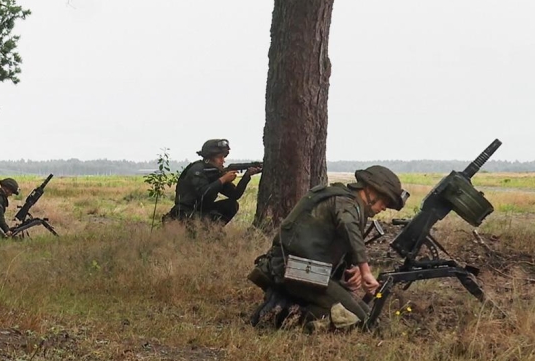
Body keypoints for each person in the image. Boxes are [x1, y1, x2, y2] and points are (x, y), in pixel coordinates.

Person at [248, 165, 407, 331]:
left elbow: (341, 240)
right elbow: (348, 225)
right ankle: (279, 315)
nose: (384, 207)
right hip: (294, 270)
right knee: (360, 321)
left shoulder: (352, 205)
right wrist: (365, 270)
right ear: (370, 190)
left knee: (366, 313)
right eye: (384, 201)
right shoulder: (345, 203)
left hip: (311, 273)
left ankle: (286, 306)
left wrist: (354, 268)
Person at [163, 139, 261, 227]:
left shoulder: (215, 173)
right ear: (209, 158)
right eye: (219, 157)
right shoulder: (197, 170)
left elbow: (235, 195)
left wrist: (247, 176)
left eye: (223, 157)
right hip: (186, 213)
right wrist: (223, 179)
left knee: (231, 205)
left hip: (202, 211)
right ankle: (208, 232)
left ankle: (212, 230)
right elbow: (202, 192)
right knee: (211, 217)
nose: (223, 160)